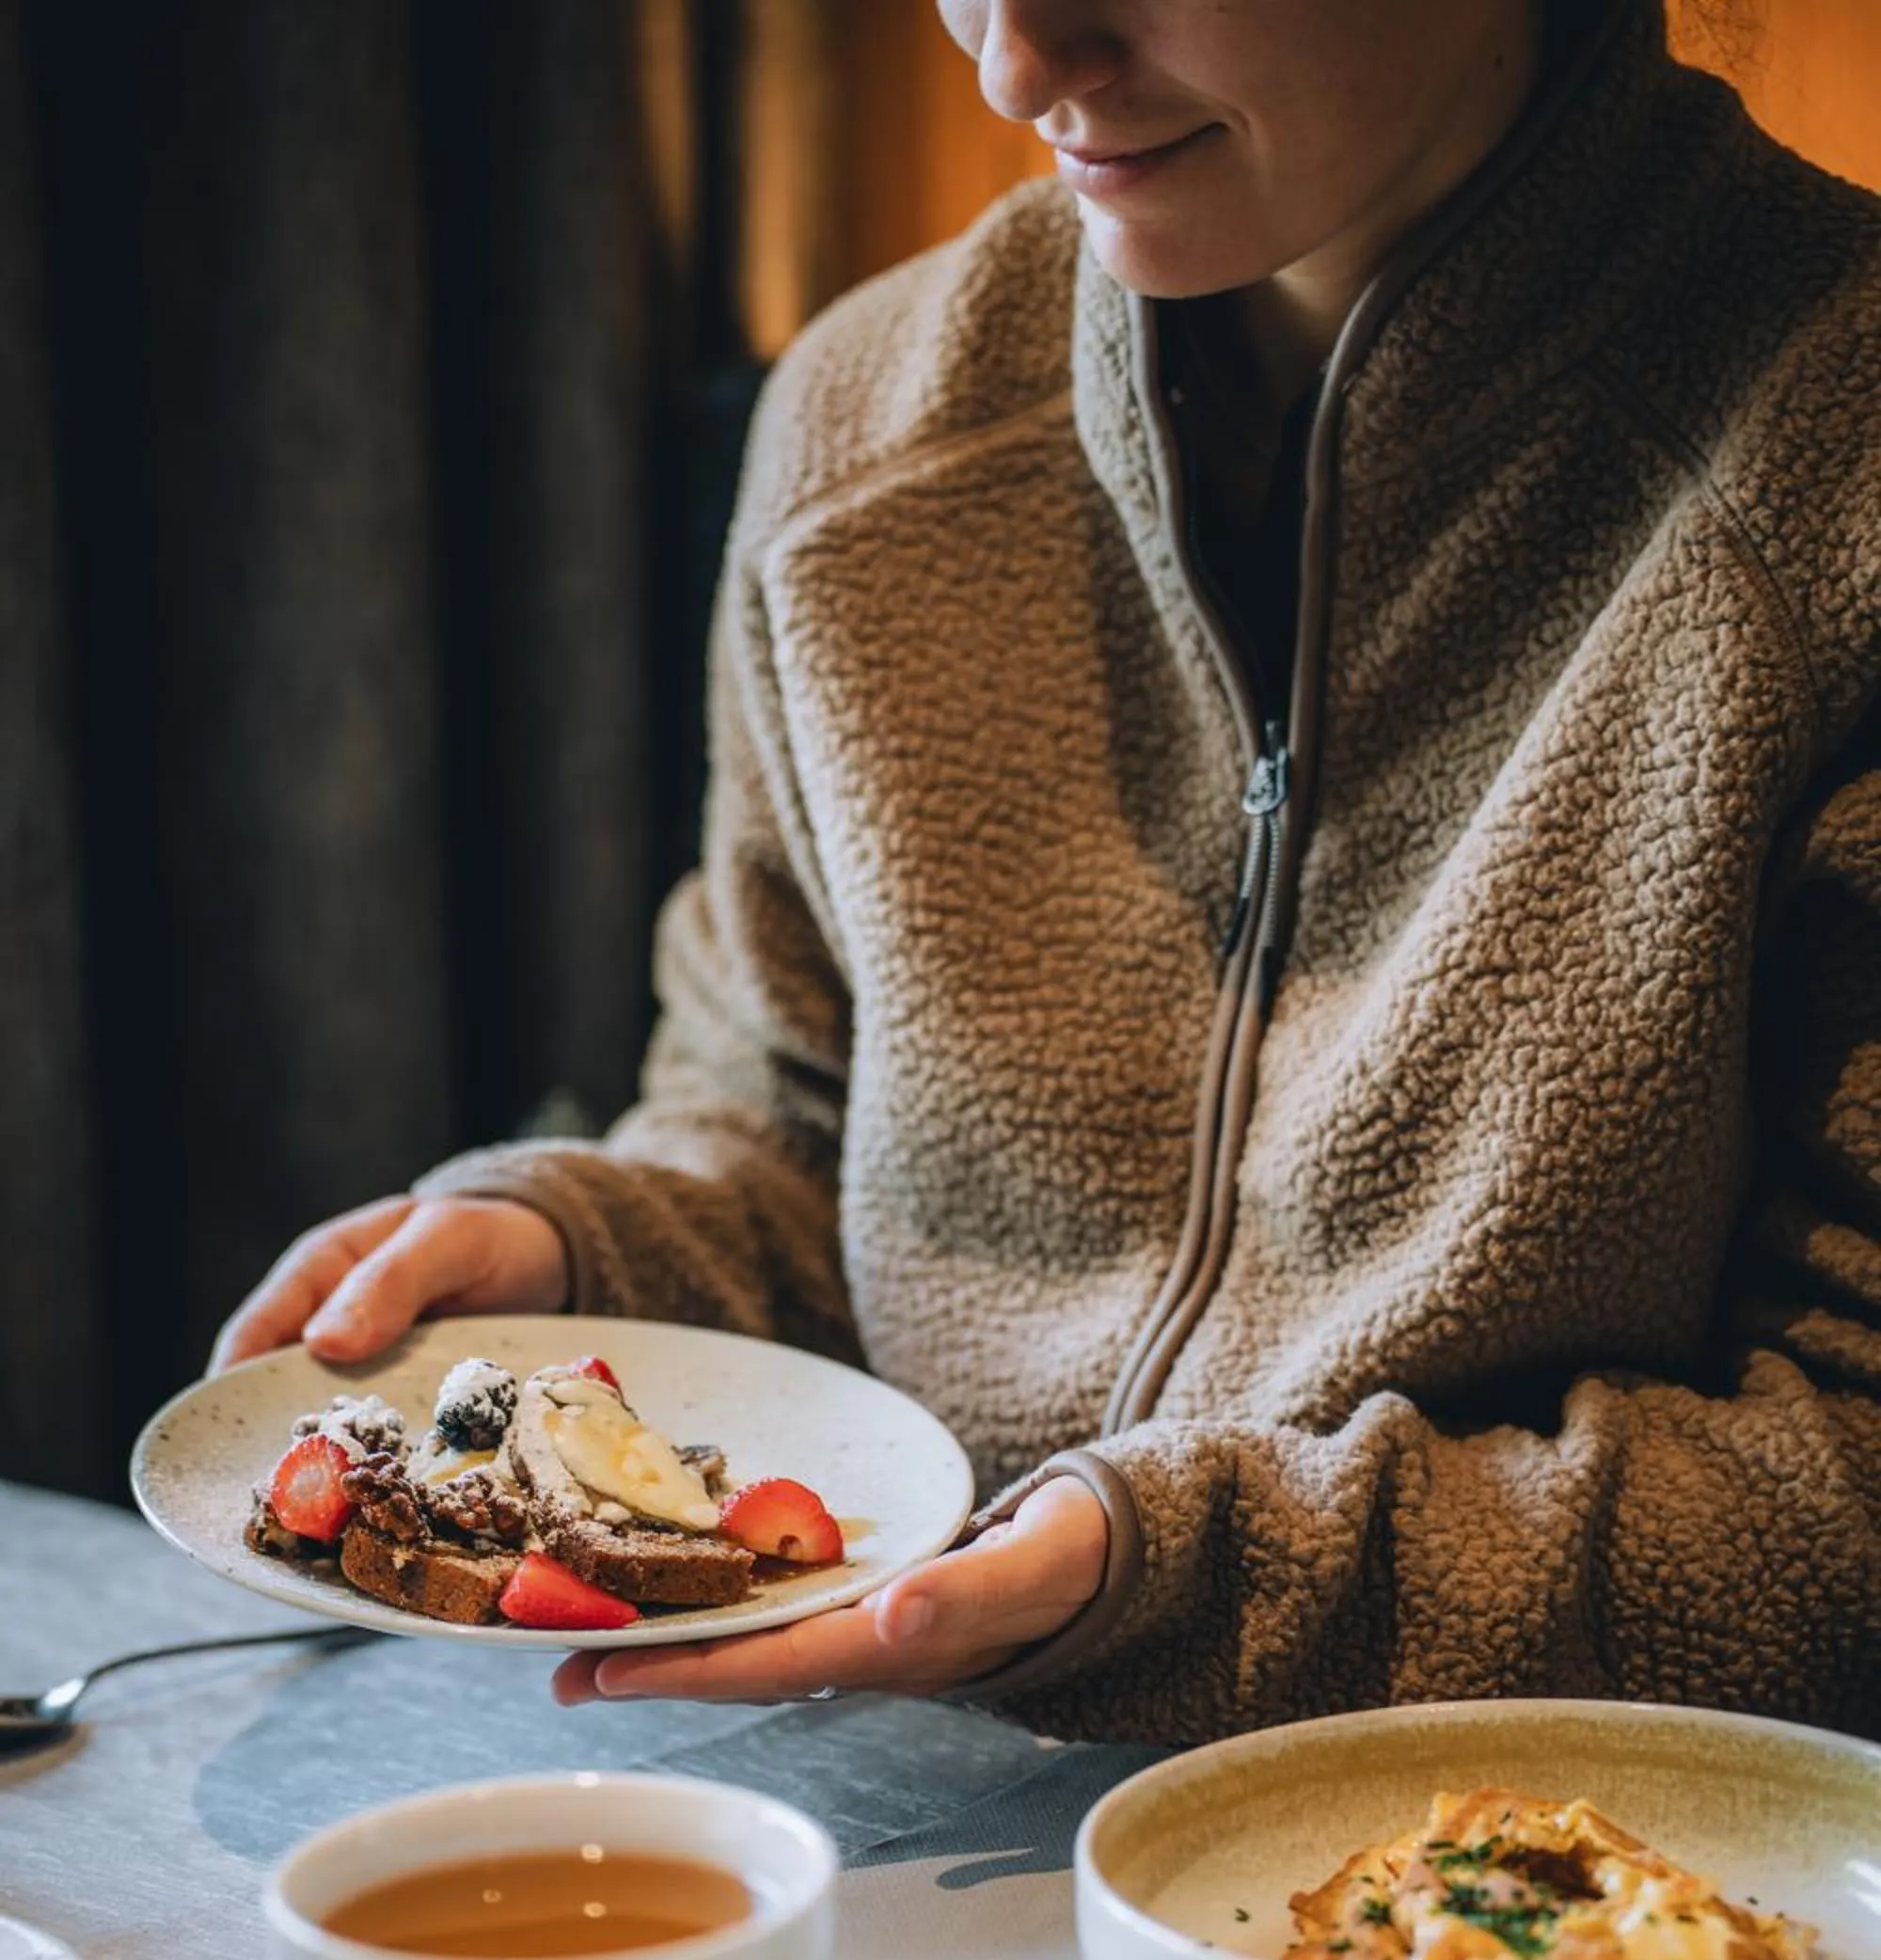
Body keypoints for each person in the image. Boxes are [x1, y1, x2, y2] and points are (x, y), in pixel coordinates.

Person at [213, 0, 1881, 1744]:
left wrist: (1180, 1573)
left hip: (1549, 1896)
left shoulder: (1838, 457)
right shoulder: (865, 427)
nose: (1015, 64)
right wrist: (597, 1242)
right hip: (881, 1807)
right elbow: (781, 1121)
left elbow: (1855, 1484)